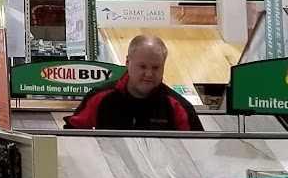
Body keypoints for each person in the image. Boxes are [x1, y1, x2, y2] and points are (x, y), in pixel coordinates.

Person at [66, 34, 199, 131]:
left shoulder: (178, 107)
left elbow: (198, 150)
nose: (149, 74)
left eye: (156, 67)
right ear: (128, 62)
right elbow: (72, 138)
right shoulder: (100, 98)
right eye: (142, 66)